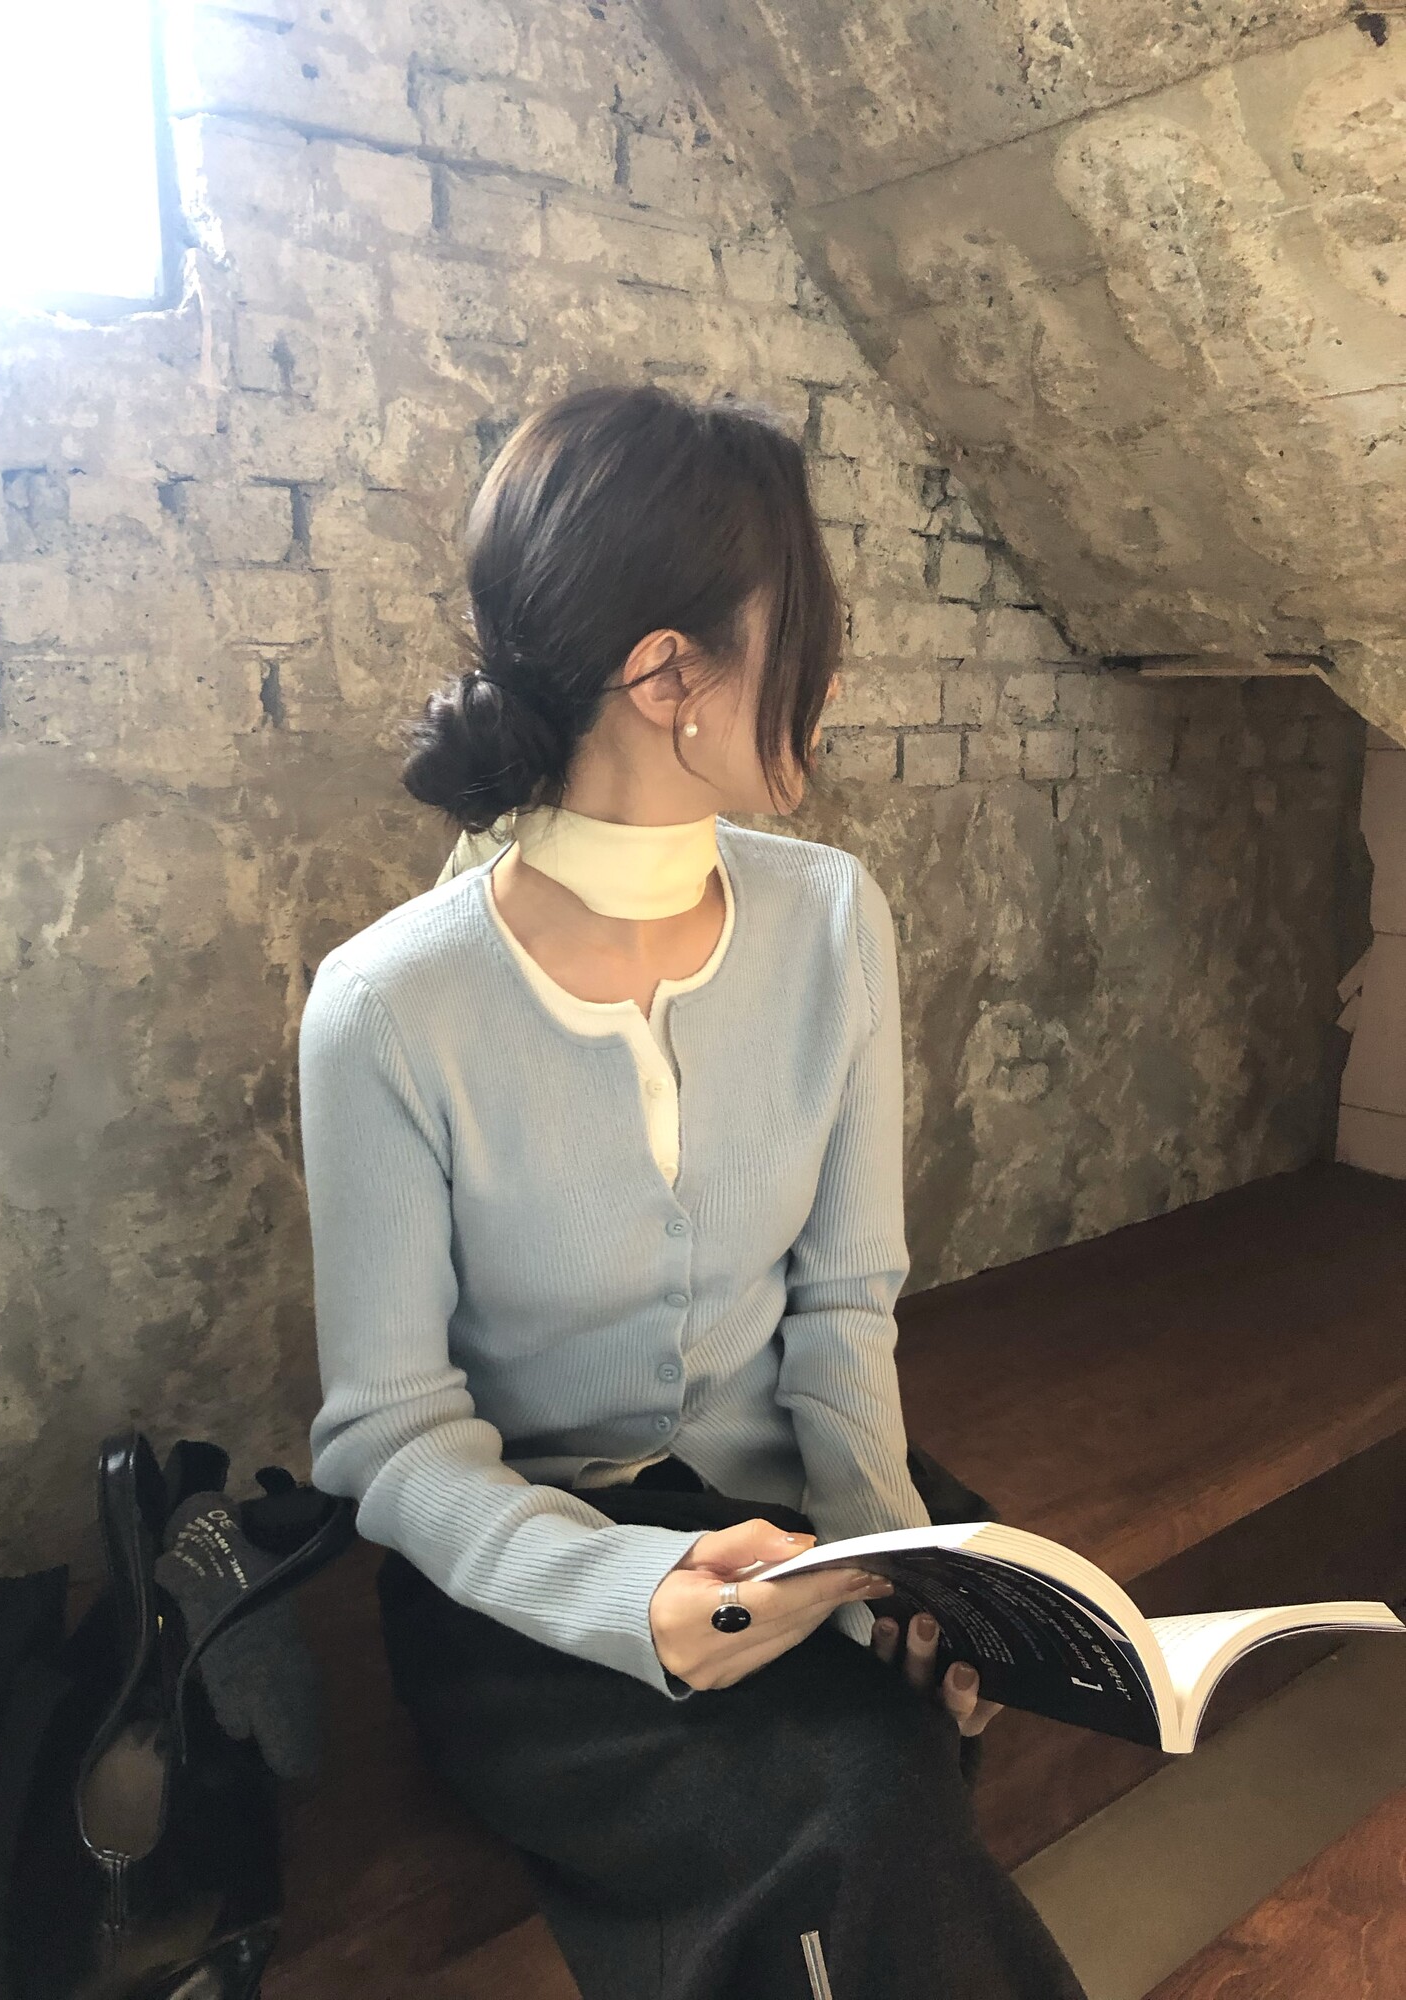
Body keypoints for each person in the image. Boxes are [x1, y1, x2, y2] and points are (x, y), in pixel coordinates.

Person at [297, 382, 1089, 1999]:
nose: (833, 672)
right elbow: (389, 1437)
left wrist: (888, 1560)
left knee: (958, 1671)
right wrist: (620, 1589)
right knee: (859, 1794)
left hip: (781, 1503)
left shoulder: (831, 920)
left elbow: (844, 1303)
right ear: (667, 678)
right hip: (524, 1572)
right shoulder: (386, 1006)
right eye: (806, 629)